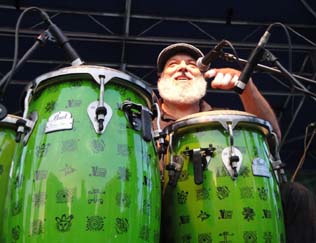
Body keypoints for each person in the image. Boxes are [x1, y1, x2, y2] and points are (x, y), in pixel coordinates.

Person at [155, 43, 316, 243]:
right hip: (162, 199)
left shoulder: (222, 119)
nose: (183, 67)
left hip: (225, 197)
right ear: (160, 79)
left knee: (295, 195)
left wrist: (247, 88)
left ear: (202, 78)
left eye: (191, 64)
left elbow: (272, 137)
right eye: (173, 64)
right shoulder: (143, 117)